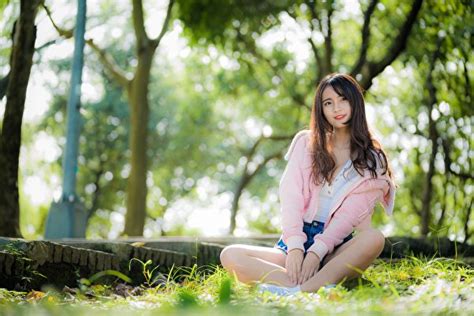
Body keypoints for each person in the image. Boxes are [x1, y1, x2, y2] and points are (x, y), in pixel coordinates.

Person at [219, 73, 396, 295]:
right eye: (328, 103)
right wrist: (295, 248)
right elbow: (291, 197)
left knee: (374, 238)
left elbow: (349, 216)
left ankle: (298, 288)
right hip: (294, 242)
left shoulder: (372, 160)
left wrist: (316, 253)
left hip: (335, 246)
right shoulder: (306, 143)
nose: (336, 108)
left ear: (355, 102)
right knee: (230, 255)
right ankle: (305, 286)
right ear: (320, 109)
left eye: (343, 100)